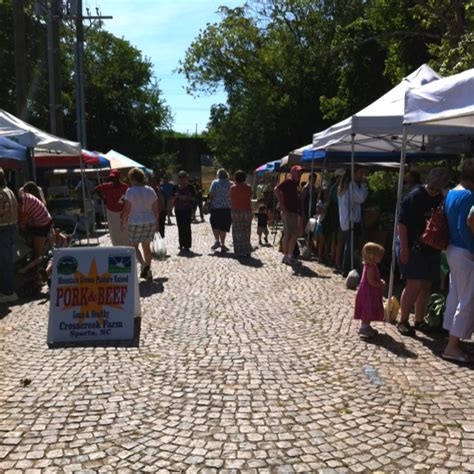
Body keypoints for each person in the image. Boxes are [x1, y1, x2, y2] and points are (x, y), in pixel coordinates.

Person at [396, 167, 450, 336]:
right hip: (413, 246)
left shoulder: (441, 197)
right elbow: (402, 224)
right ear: (429, 182)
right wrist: (404, 248)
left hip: (431, 248)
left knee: (426, 285)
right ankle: (403, 320)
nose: (434, 191)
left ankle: (419, 320)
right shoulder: (415, 196)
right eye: (432, 187)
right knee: (414, 284)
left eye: (437, 188)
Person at [442, 159, 474, 363]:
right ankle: (452, 346)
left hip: (452, 249)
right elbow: (467, 225)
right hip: (464, 250)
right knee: (468, 299)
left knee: (455, 295)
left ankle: (451, 338)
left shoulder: (452, 192)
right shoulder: (469, 195)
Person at [121, 168, 159, 280]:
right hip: (150, 220)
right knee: (146, 246)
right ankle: (148, 270)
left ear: (132, 179)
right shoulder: (150, 190)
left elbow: (126, 209)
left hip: (135, 221)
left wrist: (123, 222)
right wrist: (157, 223)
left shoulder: (130, 191)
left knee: (133, 245)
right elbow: (156, 209)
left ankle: (143, 265)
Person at [338, 166, 369, 275]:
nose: (362, 176)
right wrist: (364, 185)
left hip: (347, 219)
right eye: (360, 173)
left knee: (349, 245)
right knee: (351, 247)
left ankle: (346, 268)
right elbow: (361, 198)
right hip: (351, 220)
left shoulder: (345, 185)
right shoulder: (351, 185)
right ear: (353, 173)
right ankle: (347, 270)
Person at [354, 242, 385, 339]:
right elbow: (371, 281)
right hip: (368, 293)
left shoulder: (371, 265)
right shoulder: (370, 267)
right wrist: (380, 284)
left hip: (370, 292)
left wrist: (379, 281)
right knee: (367, 309)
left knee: (369, 309)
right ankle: (364, 328)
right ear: (372, 256)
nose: (381, 257)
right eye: (379, 256)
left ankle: (367, 326)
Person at [275, 165, 304, 265]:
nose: (300, 174)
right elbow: (276, 189)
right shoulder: (289, 181)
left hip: (290, 211)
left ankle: (286, 256)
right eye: (298, 172)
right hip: (289, 211)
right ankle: (289, 256)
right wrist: (282, 205)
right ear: (293, 172)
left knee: (288, 234)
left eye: (300, 172)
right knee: (294, 234)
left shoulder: (293, 183)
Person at [95, 170, 129, 246]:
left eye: (115, 178)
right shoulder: (107, 185)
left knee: (124, 228)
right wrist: (103, 198)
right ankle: (116, 246)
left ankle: (125, 245)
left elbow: (128, 197)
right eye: (112, 178)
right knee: (113, 229)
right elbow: (96, 189)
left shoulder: (125, 186)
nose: (113, 180)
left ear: (118, 177)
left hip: (122, 211)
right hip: (111, 211)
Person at [0, 169, 19, 303]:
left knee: (4, 263)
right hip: (11, 228)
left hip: (3, 229)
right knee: (7, 262)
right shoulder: (9, 191)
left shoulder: (1, 194)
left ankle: (9, 292)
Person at [18, 190, 53, 259]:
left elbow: (22, 223)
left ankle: (37, 266)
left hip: (42, 224)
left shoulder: (24, 205)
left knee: (37, 254)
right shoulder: (25, 197)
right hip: (39, 221)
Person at [230, 170, 253, 257]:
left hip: (236, 211)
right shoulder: (248, 187)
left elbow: (231, 198)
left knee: (237, 231)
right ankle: (247, 249)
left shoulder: (232, 188)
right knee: (246, 230)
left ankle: (239, 250)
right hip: (247, 211)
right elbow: (250, 195)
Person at [208, 168, 232, 251]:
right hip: (227, 208)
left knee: (215, 225)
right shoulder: (230, 183)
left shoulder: (215, 182)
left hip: (216, 208)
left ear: (218, 175)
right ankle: (222, 244)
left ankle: (217, 241)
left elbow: (211, 194)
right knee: (223, 226)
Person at [172, 171, 196, 252]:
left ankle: (187, 245)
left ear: (186, 178)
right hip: (178, 210)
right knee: (180, 227)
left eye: (184, 177)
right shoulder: (175, 187)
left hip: (187, 209)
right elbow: (172, 199)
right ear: (179, 178)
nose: (182, 179)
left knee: (187, 227)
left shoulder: (191, 187)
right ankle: (181, 244)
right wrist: (175, 197)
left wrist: (188, 198)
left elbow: (194, 199)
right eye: (180, 177)